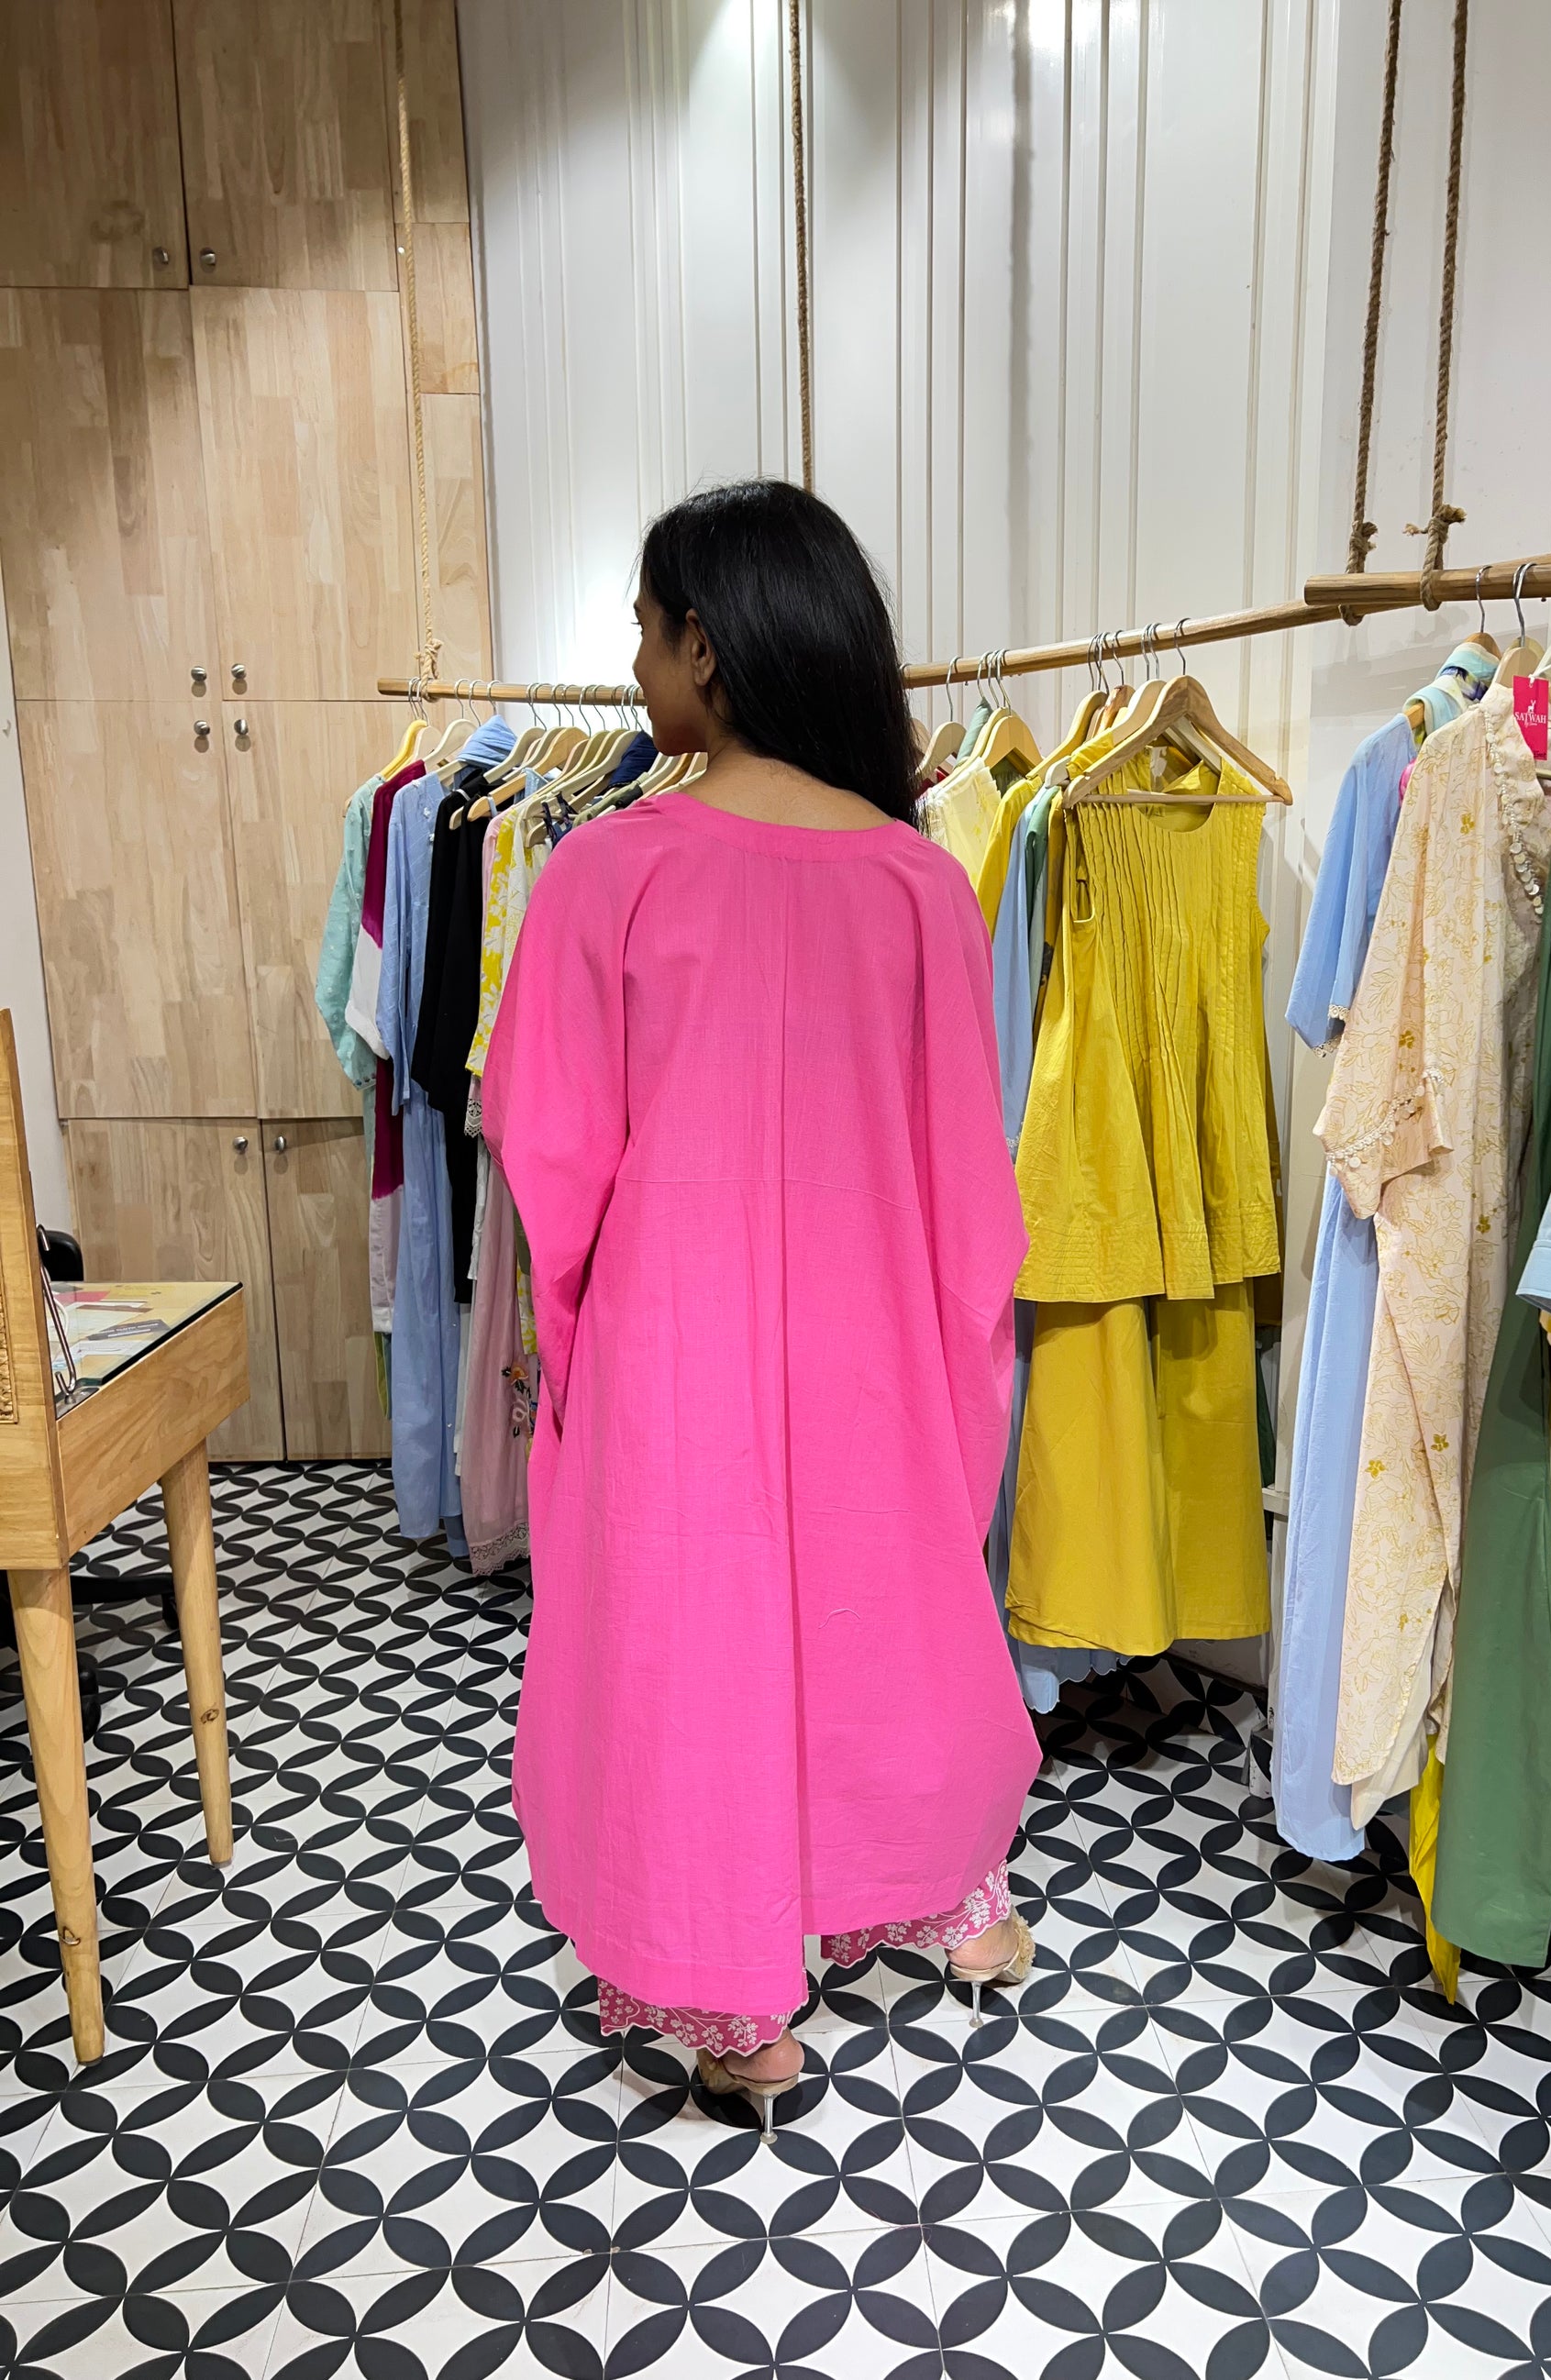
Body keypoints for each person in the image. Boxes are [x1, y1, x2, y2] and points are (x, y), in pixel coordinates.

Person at [482, 479, 1038, 2135]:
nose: (633, 661)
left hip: (676, 1354)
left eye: (646, 629)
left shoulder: (608, 871)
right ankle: (943, 1889)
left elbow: (551, 1151)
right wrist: (952, 1360)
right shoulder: (919, 881)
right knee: (881, 1605)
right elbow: (968, 1185)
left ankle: (739, 2009)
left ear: (705, 649)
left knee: (687, 1647)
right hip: (876, 1353)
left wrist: (572, 1343)